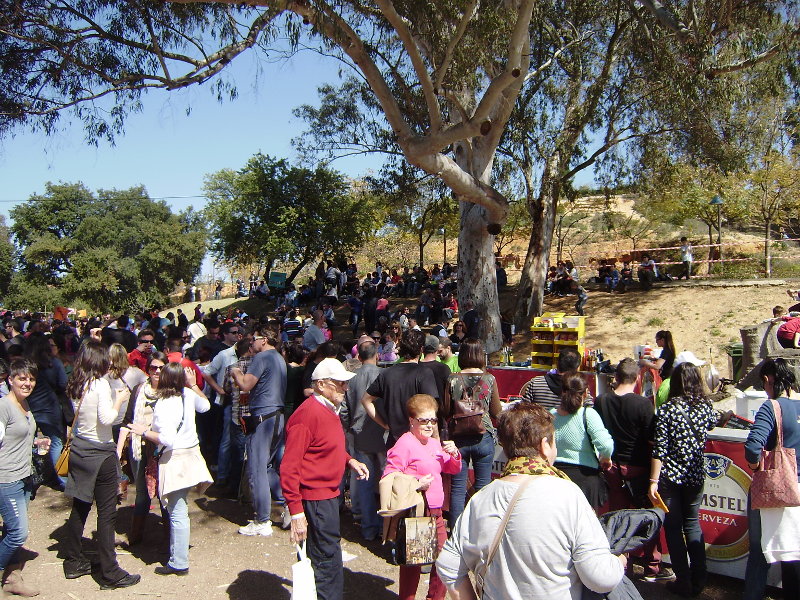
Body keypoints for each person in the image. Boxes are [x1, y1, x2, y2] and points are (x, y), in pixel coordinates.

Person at [436, 402, 626, 599]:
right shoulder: (568, 495)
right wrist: (618, 562)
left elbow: (449, 565)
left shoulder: (482, 498)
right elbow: (600, 577)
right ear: (545, 445)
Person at [281, 358, 369, 600]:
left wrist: (348, 460)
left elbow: (324, 445)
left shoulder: (327, 410)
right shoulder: (307, 415)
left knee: (325, 557)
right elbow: (289, 466)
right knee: (325, 562)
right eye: (340, 384)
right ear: (321, 384)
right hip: (316, 499)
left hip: (326, 497)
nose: (345, 388)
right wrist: (296, 512)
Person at [62, 341, 140, 590]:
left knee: (80, 506)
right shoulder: (100, 384)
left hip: (80, 449)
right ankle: (110, 572)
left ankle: (73, 560)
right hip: (100, 452)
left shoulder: (77, 383)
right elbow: (108, 419)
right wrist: (120, 399)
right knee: (107, 514)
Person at [127, 362, 212, 576]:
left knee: (177, 512)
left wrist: (143, 431)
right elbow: (206, 406)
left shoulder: (165, 403)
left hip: (175, 460)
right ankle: (176, 554)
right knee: (179, 508)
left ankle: (179, 561)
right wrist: (193, 386)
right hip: (191, 456)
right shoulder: (188, 394)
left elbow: (167, 439)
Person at [648, 363, 718, 597]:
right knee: (693, 525)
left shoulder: (667, 410)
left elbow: (660, 449)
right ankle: (700, 577)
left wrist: (653, 481)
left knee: (674, 529)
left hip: (670, 478)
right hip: (695, 476)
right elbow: (715, 423)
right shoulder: (706, 407)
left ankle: (683, 579)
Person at [384, 394, 461, 600]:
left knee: (444, 560)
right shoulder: (405, 443)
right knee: (414, 562)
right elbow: (389, 476)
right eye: (424, 420)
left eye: (433, 420)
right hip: (417, 510)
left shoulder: (434, 443)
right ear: (411, 420)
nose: (429, 425)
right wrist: (417, 484)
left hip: (435, 511)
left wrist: (454, 454)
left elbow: (452, 468)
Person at [594, 358, 665, 581]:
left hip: (612, 467)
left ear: (615, 378)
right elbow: (653, 441)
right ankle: (651, 564)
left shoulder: (601, 401)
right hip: (638, 468)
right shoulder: (643, 405)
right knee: (646, 517)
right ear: (636, 379)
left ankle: (620, 562)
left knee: (616, 517)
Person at [743, 358, 800, 600]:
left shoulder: (772, 407)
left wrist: (756, 468)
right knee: (794, 551)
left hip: (777, 490)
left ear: (768, 380)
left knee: (759, 552)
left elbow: (753, 447)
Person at [230, 325, 287, 536]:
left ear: (264, 340)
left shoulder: (262, 358)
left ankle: (262, 519)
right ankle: (285, 503)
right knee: (269, 466)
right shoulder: (279, 358)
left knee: (256, 468)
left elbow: (245, 385)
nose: (251, 342)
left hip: (263, 418)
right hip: (277, 417)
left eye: (254, 338)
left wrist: (235, 371)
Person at [0, 360, 49, 597]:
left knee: (11, 528)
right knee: (18, 532)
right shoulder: (4, 407)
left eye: (31, 379)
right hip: (6, 478)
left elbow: (17, 437)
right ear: (10, 379)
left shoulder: (24, 404)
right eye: (22, 378)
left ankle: (11, 579)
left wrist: (37, 443)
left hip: (24, 476)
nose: (27, 383)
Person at [445, 338, 501, 527]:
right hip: (483, 435)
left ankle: (456, 531)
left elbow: (445, 410)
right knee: (483, 487)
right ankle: (481, 529)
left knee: (458, 488)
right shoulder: (489, 379)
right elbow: (496, 412)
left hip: (457, 439)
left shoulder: (452, 379)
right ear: (480, 355)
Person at [362, 329, 439, 447]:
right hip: (420, 441)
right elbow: (431, 409)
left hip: (395, 441)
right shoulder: (424, 373)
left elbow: (366, 400)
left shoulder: (386, 373)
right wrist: (436, 441)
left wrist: (384, 424)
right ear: (422, 349)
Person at [551, 372, 613, 511]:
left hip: (557, 477)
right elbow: (606, 445)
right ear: (585, 393)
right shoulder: (588, 414)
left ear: (562, 391)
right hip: (586, 479)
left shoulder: (551, 415)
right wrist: (606, 458)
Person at [123, 351, 167, 545]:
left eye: (161, 367)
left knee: (165, 491)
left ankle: (169, 538)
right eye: (153, 367)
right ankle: (136, 535)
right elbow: (128, 420)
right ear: (147, 369)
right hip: (139, 447)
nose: (157, 371)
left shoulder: (171, 392)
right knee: (142, 491)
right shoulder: (139, 390)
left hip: (162, 448)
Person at [343, 341, 384, 541]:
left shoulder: (351, 379)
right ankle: (386, 527)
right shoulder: (383, 375)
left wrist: (348, 425)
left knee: (366, 482)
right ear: (377, 355)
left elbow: (344, 408)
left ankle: (369, 528)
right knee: (385, 481)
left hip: (359, 432)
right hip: (382, 433)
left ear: (359, 357)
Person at [22, 333, 68, 490]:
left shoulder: (24, 365)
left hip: (28, 408)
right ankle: (59, 478)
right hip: (50, 409)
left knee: (29, 443)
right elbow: (63, 383)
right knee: (56, 442)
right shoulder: (53, 363)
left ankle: (32, 475)